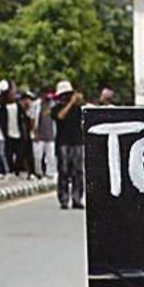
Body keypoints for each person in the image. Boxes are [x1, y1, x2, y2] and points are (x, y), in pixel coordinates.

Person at [53, 80, 86, 209]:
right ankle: (64, 199)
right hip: (63, 143)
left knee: (78, 172)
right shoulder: (56, 108)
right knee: (64, 171)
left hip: (77, 142)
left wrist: (78, 102)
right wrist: (70, 103)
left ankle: (77, 198)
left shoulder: (78, 109)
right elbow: (60, 117)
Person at [0, 85, 32, 178]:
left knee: (20, 154)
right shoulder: (3, 107)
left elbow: (24, 118)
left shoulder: (18, 106)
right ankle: (11, 170)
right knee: (9, 154)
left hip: (18, 133)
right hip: (8, 134)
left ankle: (18, 169)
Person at [31, 86, 57, 176]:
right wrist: (35, 132)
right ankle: (39, 173)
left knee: (51, 156)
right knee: (38, 156)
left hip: (50, 135)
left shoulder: (53, 105)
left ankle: (50, 173)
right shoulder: (36, 105)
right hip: (39, 134)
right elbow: (33, 119)